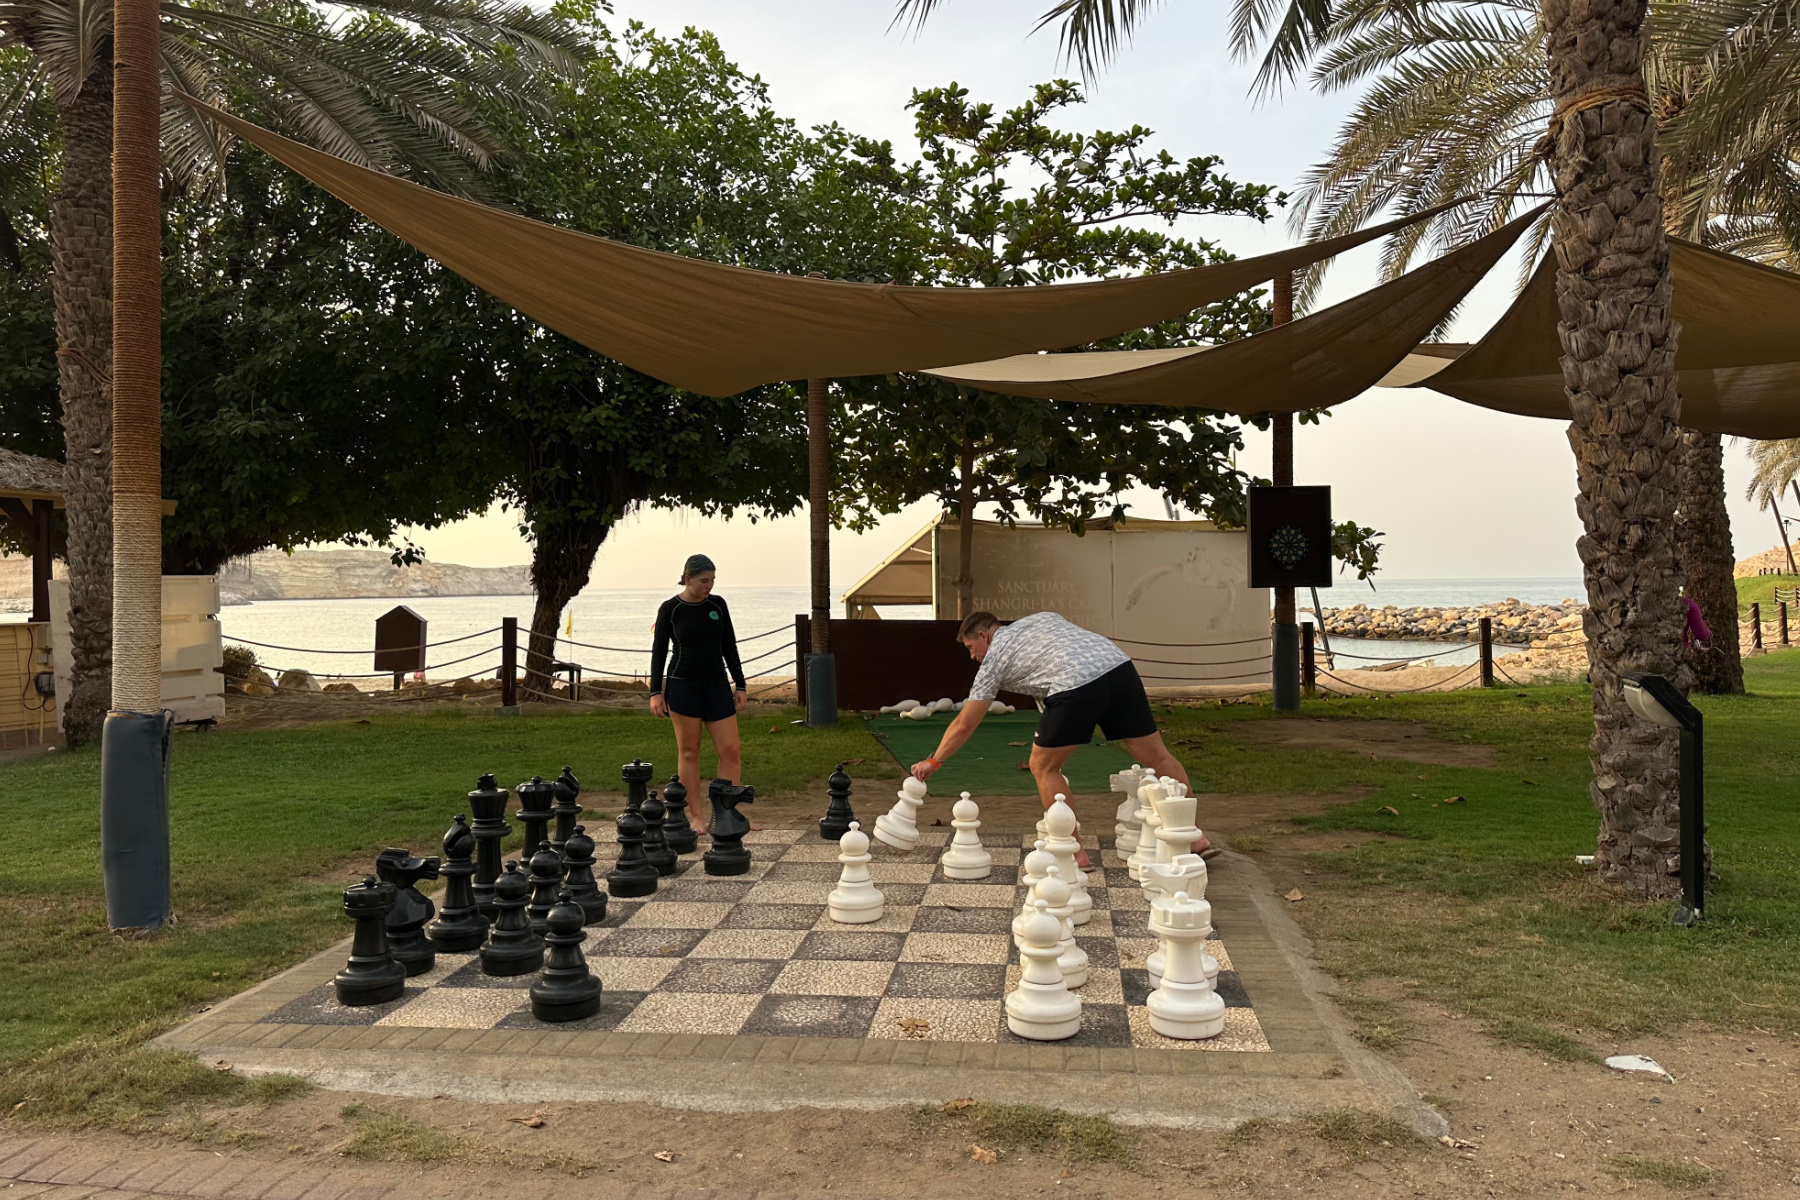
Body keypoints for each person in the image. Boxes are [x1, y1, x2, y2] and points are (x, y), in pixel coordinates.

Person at [910, 610, 1211, 867]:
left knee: (1043, 767)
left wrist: (934, 760)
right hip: (1119, 668)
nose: (972, 655)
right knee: (1156, 755)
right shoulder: (1043, 618)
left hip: (1075, 684)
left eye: (970, 647)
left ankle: (1073, 852)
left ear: (984, 636)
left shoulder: (993, 660)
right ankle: (1194, 835)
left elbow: (964, 724)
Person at [649, 555, 747, 828]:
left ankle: (727, 815)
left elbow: (729, 645)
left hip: (716, 684)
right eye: (704, 580)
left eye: (713, 580)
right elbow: (658, 652)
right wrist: (655, 692)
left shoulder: (717, 604)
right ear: (687, 579)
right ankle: (696, 817)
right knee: (689, 751)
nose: (710, 586)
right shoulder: (671, 608)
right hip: (683, 685)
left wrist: (740, 684)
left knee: (731, 749)